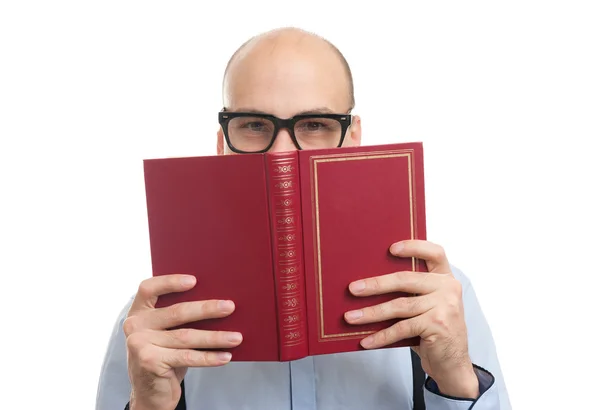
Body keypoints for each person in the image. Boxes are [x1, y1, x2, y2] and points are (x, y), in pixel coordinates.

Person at [96, 27, 511, 410]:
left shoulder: (437, 296)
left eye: (314, 124)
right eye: (254, 124)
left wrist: (455, 377)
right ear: (223, 143)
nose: (281, 154)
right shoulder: (156, 319)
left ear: (353, 139)